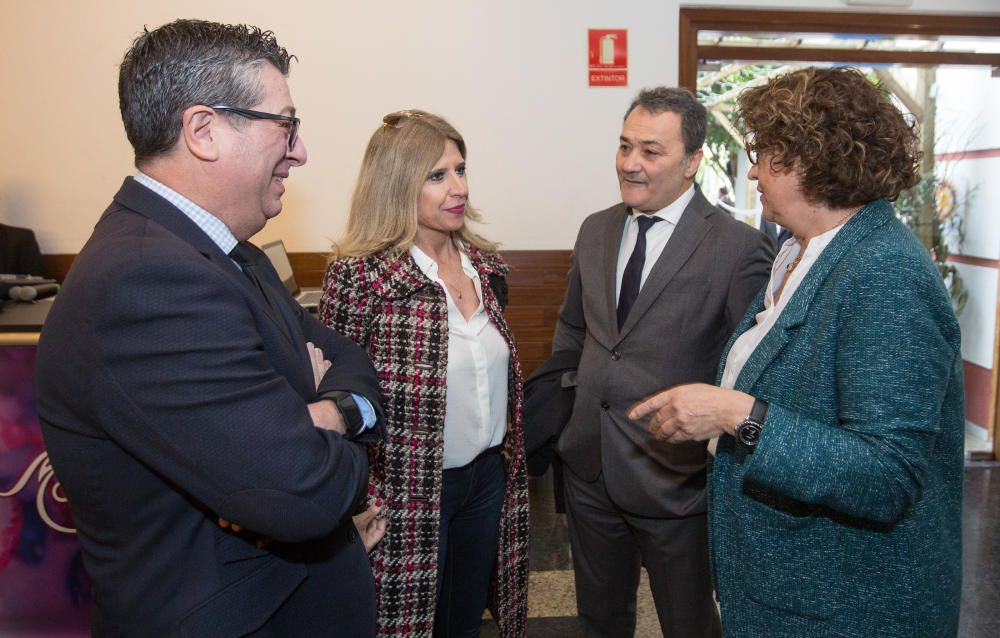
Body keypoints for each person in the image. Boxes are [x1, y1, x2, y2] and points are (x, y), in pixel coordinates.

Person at [35, 19, 386, 637]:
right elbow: (305, 492)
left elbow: (347, 359)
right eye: (287, 124)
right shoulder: (146, 280)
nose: (301, 150)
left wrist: (326, 415)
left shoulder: (227, 253)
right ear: (204, 131)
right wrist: (330, 429)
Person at [630, 67, 964, 637]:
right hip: (785, 589)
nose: (754, 169)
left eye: (766, 153)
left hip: (847, 605)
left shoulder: (884, 272)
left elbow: (886, 475)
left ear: (815, 158)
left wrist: (737, 414)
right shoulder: (798, 250)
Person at [551, 87, 772, 638]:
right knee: (600, 620)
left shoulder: (737, 248)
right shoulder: (595, 229)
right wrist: (566, 409)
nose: (630, 164)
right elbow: (574, 328)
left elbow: (749, 367)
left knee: (690, 623)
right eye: (625, 147)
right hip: (590, 468)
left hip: (678, 481)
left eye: (651, 152)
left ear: (692, 161)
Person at [320, 110, 529, 637]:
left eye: (460, 170)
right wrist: (355, 500)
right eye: (437, 176)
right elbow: (334, 398)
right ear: (396, 184)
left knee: (463, 617)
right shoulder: (361, 276)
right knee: (404, 623)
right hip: (406, 489)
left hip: (486, 478)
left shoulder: (486, 267)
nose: (457, 188)